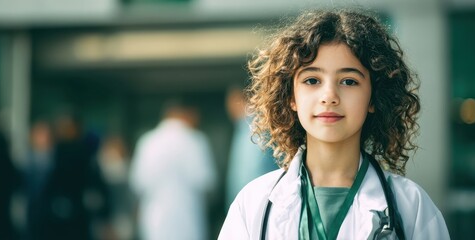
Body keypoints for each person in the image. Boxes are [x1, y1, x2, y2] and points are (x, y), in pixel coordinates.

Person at [219, 9, 450, 239]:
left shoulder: (413, 208)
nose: (329, 96)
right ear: (291, 97)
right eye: (312, 80)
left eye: (349, 81)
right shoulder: (252, 206)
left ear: (373, 97)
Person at [130, 98, 216, 240]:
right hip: (189, 220)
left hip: (155, 221)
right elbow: (206, 181)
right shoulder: (196, 140)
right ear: (185, 115)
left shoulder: (147, 142)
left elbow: (137, 183)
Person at [225, 86, 277, 210]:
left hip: (257, 206)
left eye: (232, 101)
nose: (229, 107)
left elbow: (254, 171)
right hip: (245, 206)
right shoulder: (242, 128)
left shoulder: (258, 128)